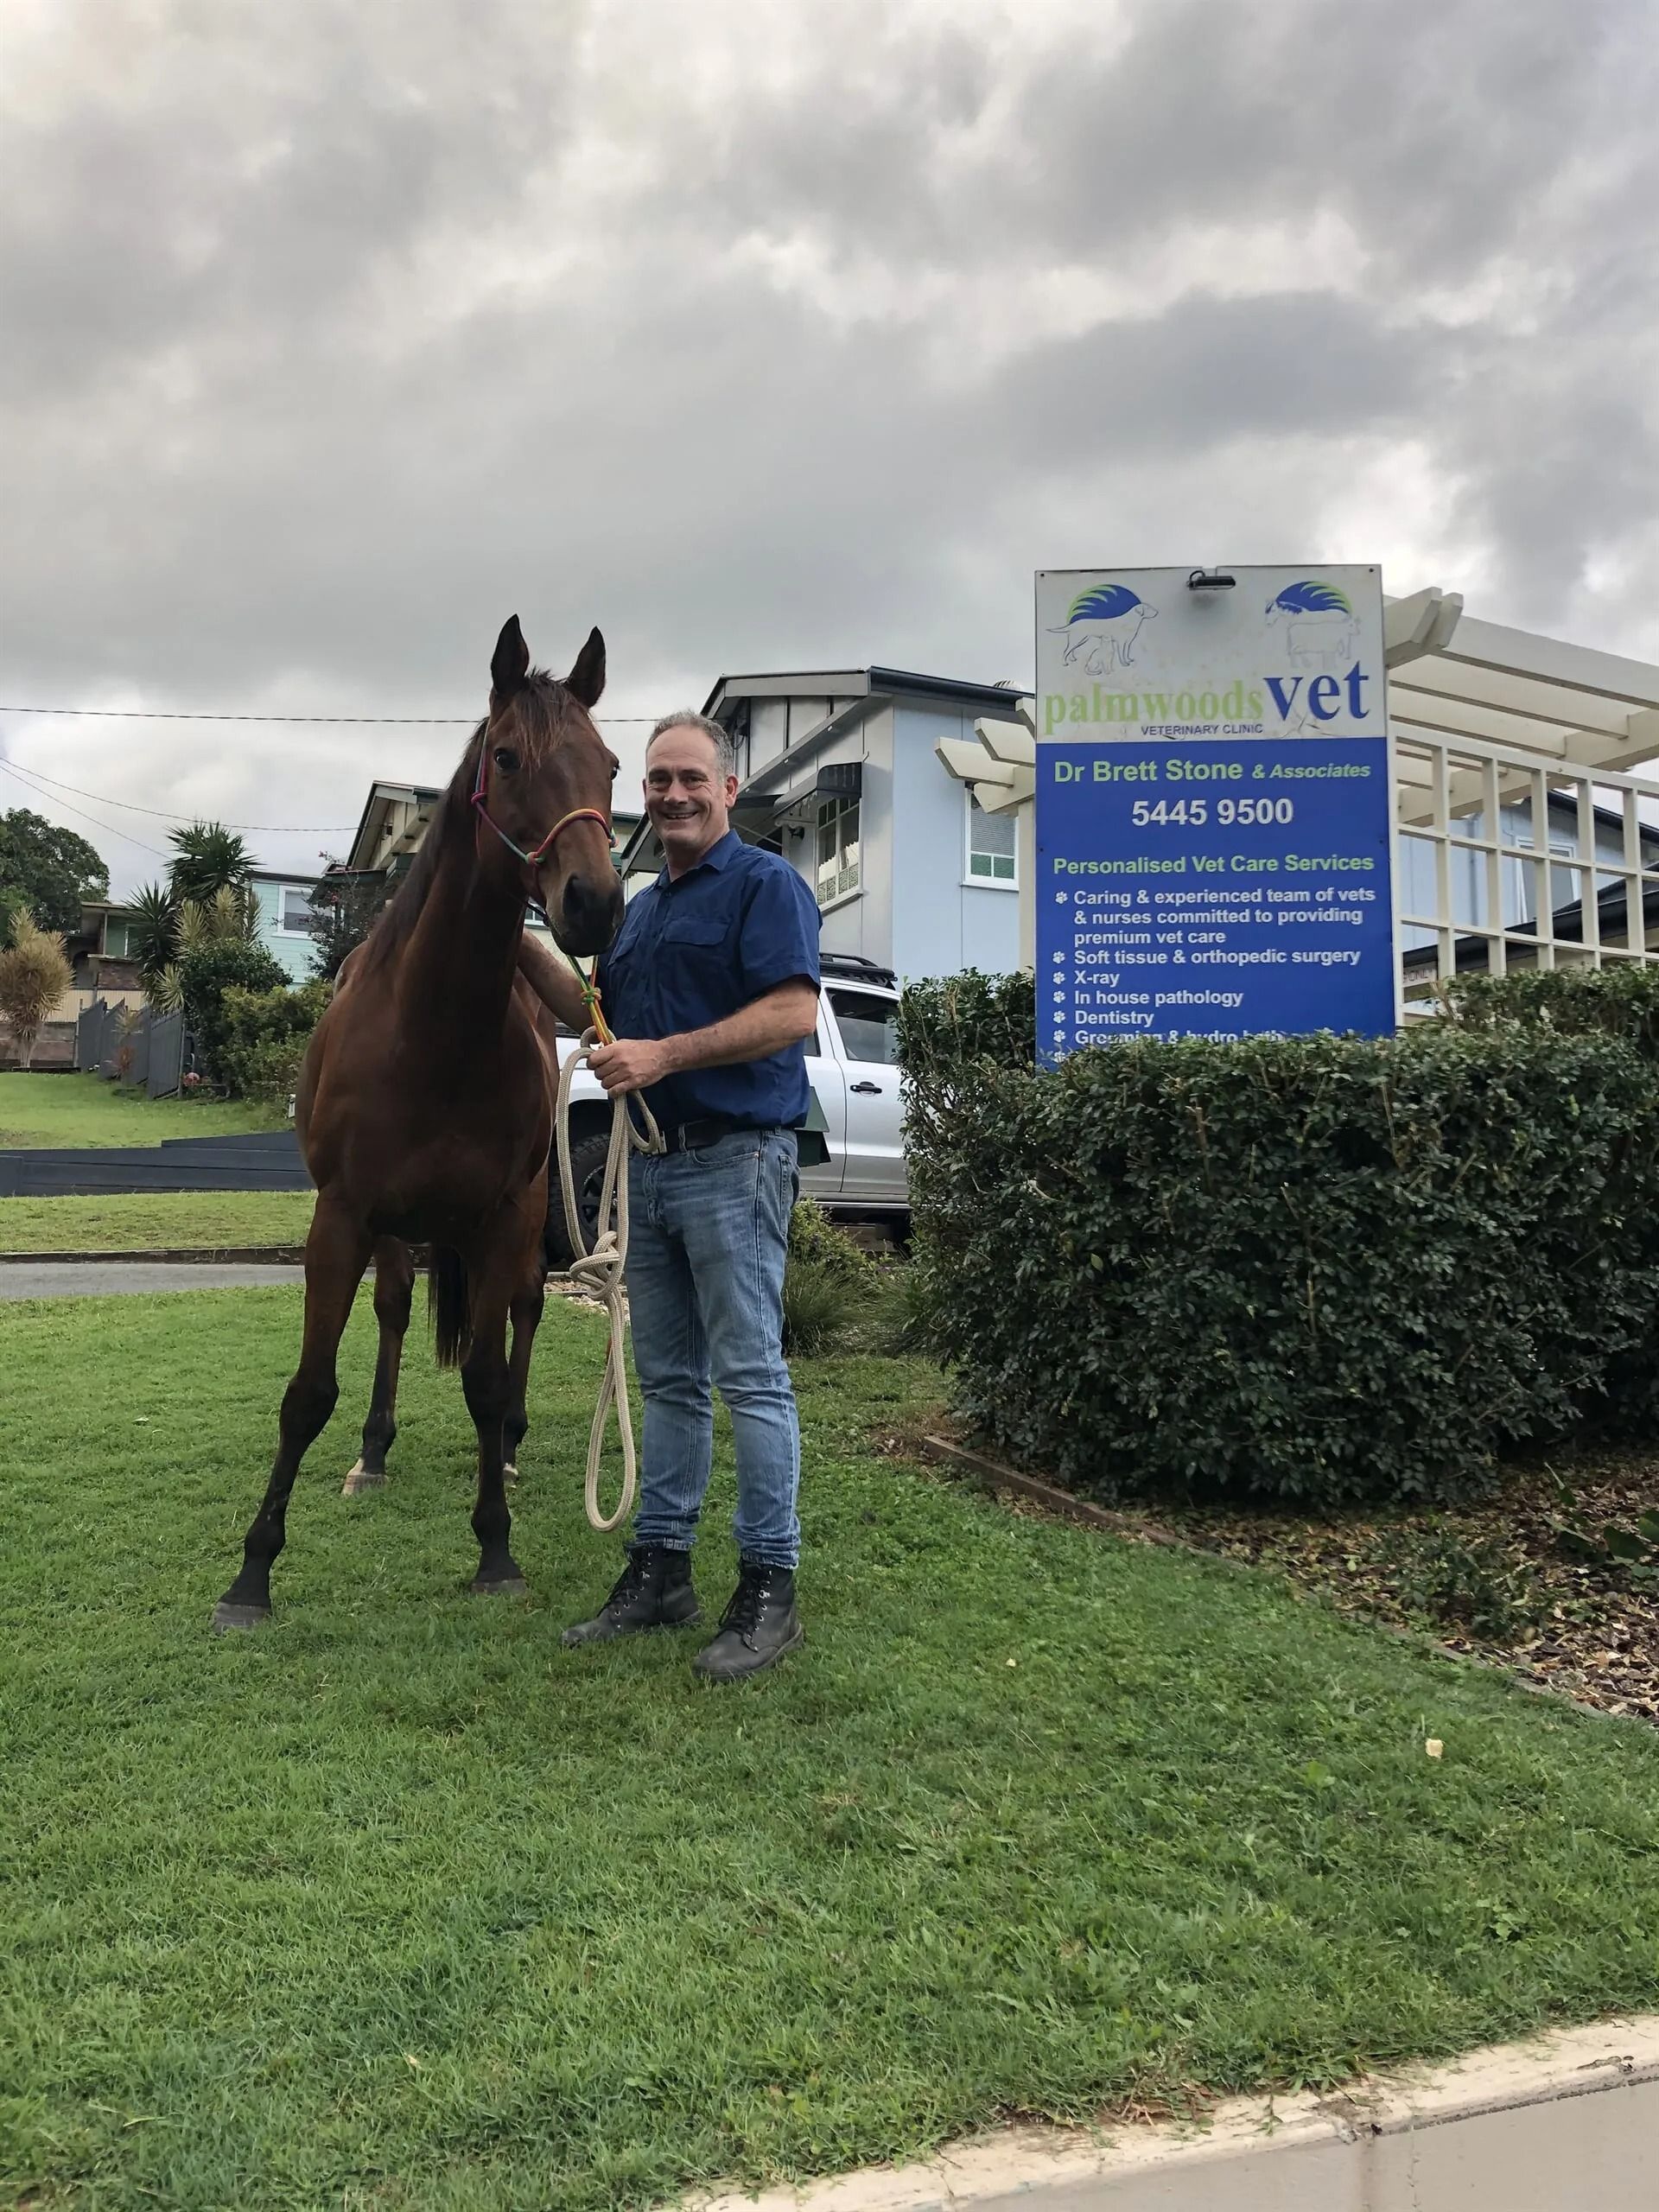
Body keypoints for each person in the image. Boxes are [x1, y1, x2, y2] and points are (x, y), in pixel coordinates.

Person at [545, 709, 821, 1681]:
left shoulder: (765, 886)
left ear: (728, 789)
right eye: (657, 780)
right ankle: (661, 1570)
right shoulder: (647, 907)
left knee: (750, 1378)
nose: (671, 794)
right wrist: (509, 930)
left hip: (736, 1160)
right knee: (667, 1381)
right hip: (655, 1169)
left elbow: (793, 1010)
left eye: (689, 778)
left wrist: (665, 1053)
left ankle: (769, 1591)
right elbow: (591, 1009)